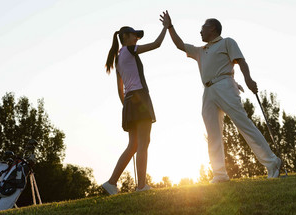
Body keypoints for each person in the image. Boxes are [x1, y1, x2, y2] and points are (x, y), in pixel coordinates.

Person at [163, 11, 281, 183]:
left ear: (212, 28)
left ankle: (272, 162)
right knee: (213, 134)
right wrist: (170, 27)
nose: (200, 31)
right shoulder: (200, 50)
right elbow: (180, 45)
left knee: (243, 124)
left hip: (225, 84)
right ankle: (219, 174)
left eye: (203, 27)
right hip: (208, 91)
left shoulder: (227, 42)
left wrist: (248, 78)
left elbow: (241, 61)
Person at [102, 13, 169, 194]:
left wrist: (127, 105)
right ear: (125, 37)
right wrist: (166, 27)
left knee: (133, 145)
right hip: (140, 98)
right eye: (134, 36)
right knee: (143, 143)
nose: (136, 38)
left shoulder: (117, 58)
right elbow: (157, 44)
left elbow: (120, 88)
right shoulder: (130, 50)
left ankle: (111, 183)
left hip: (130, 102)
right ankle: (141, 186)